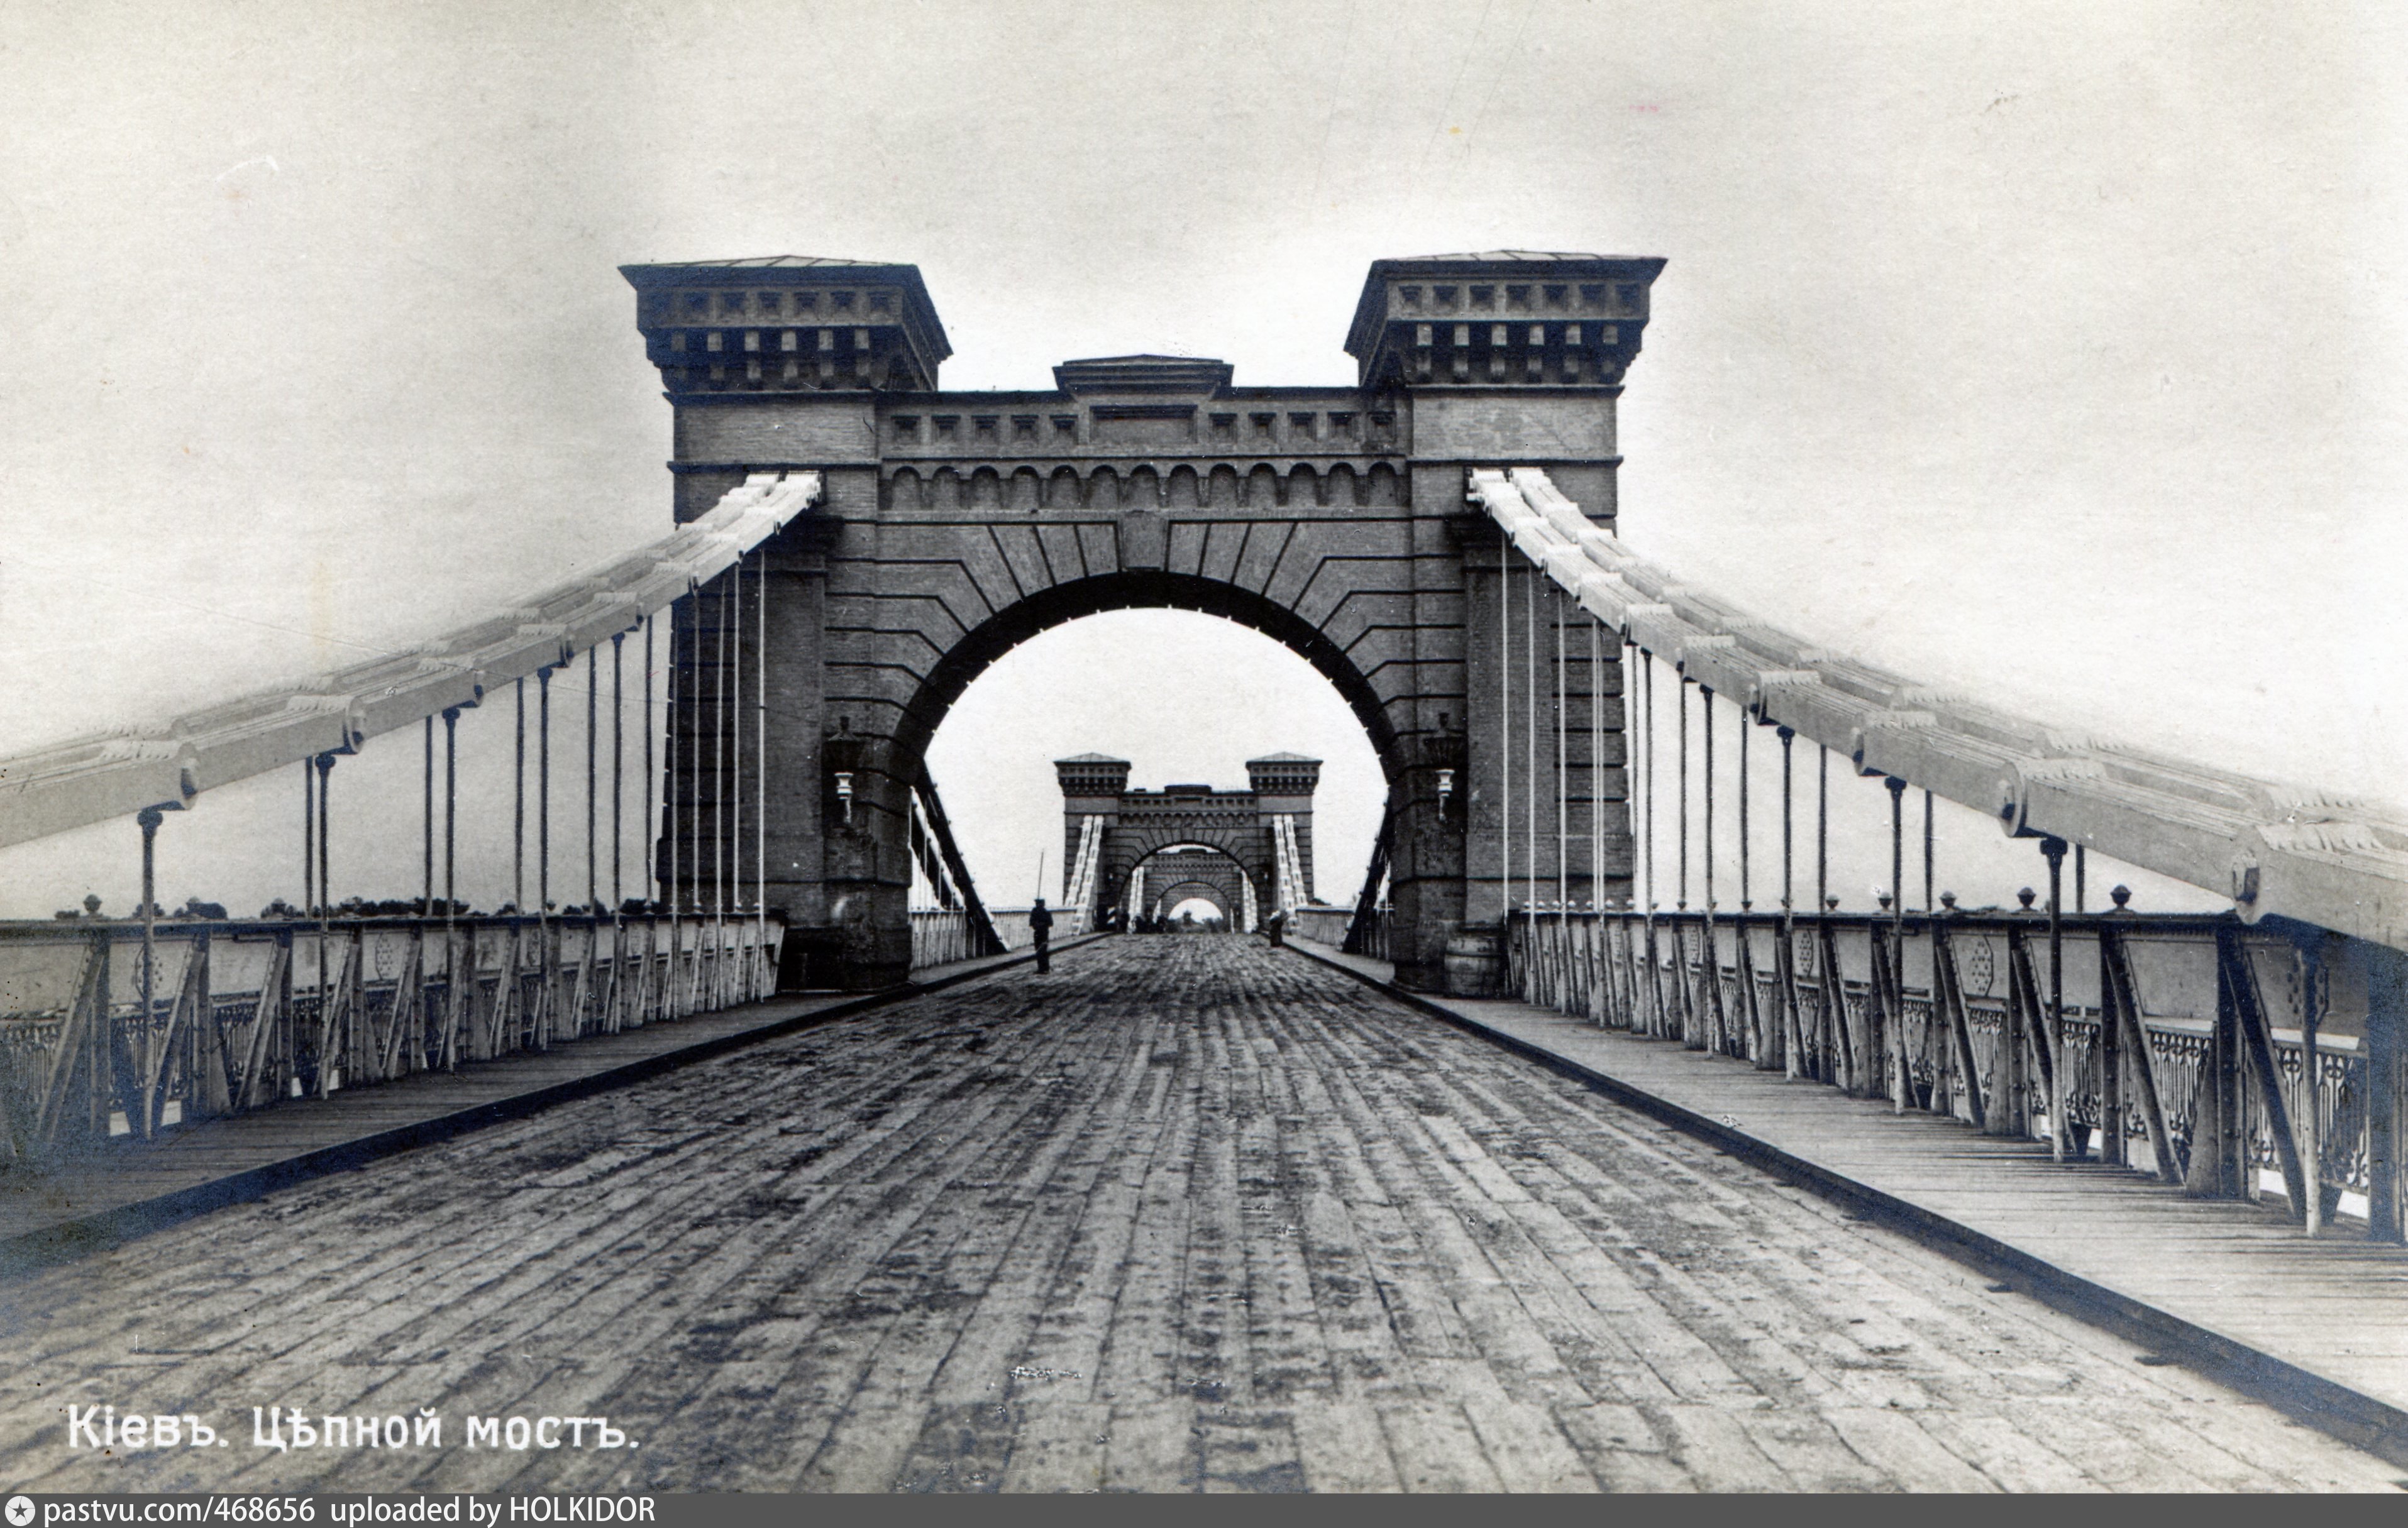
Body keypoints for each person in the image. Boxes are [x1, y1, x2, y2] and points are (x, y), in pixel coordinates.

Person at [1028, 896, 1054, 972]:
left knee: (1040, 950)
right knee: (1042, 950)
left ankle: (1043, 968)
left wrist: (1038, 925)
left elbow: (1032, 923)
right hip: (1043, 933)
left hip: (1040, 933)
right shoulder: (1045, 912)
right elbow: (1050, 923)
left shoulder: (1035, 912)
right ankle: (1044, 968)